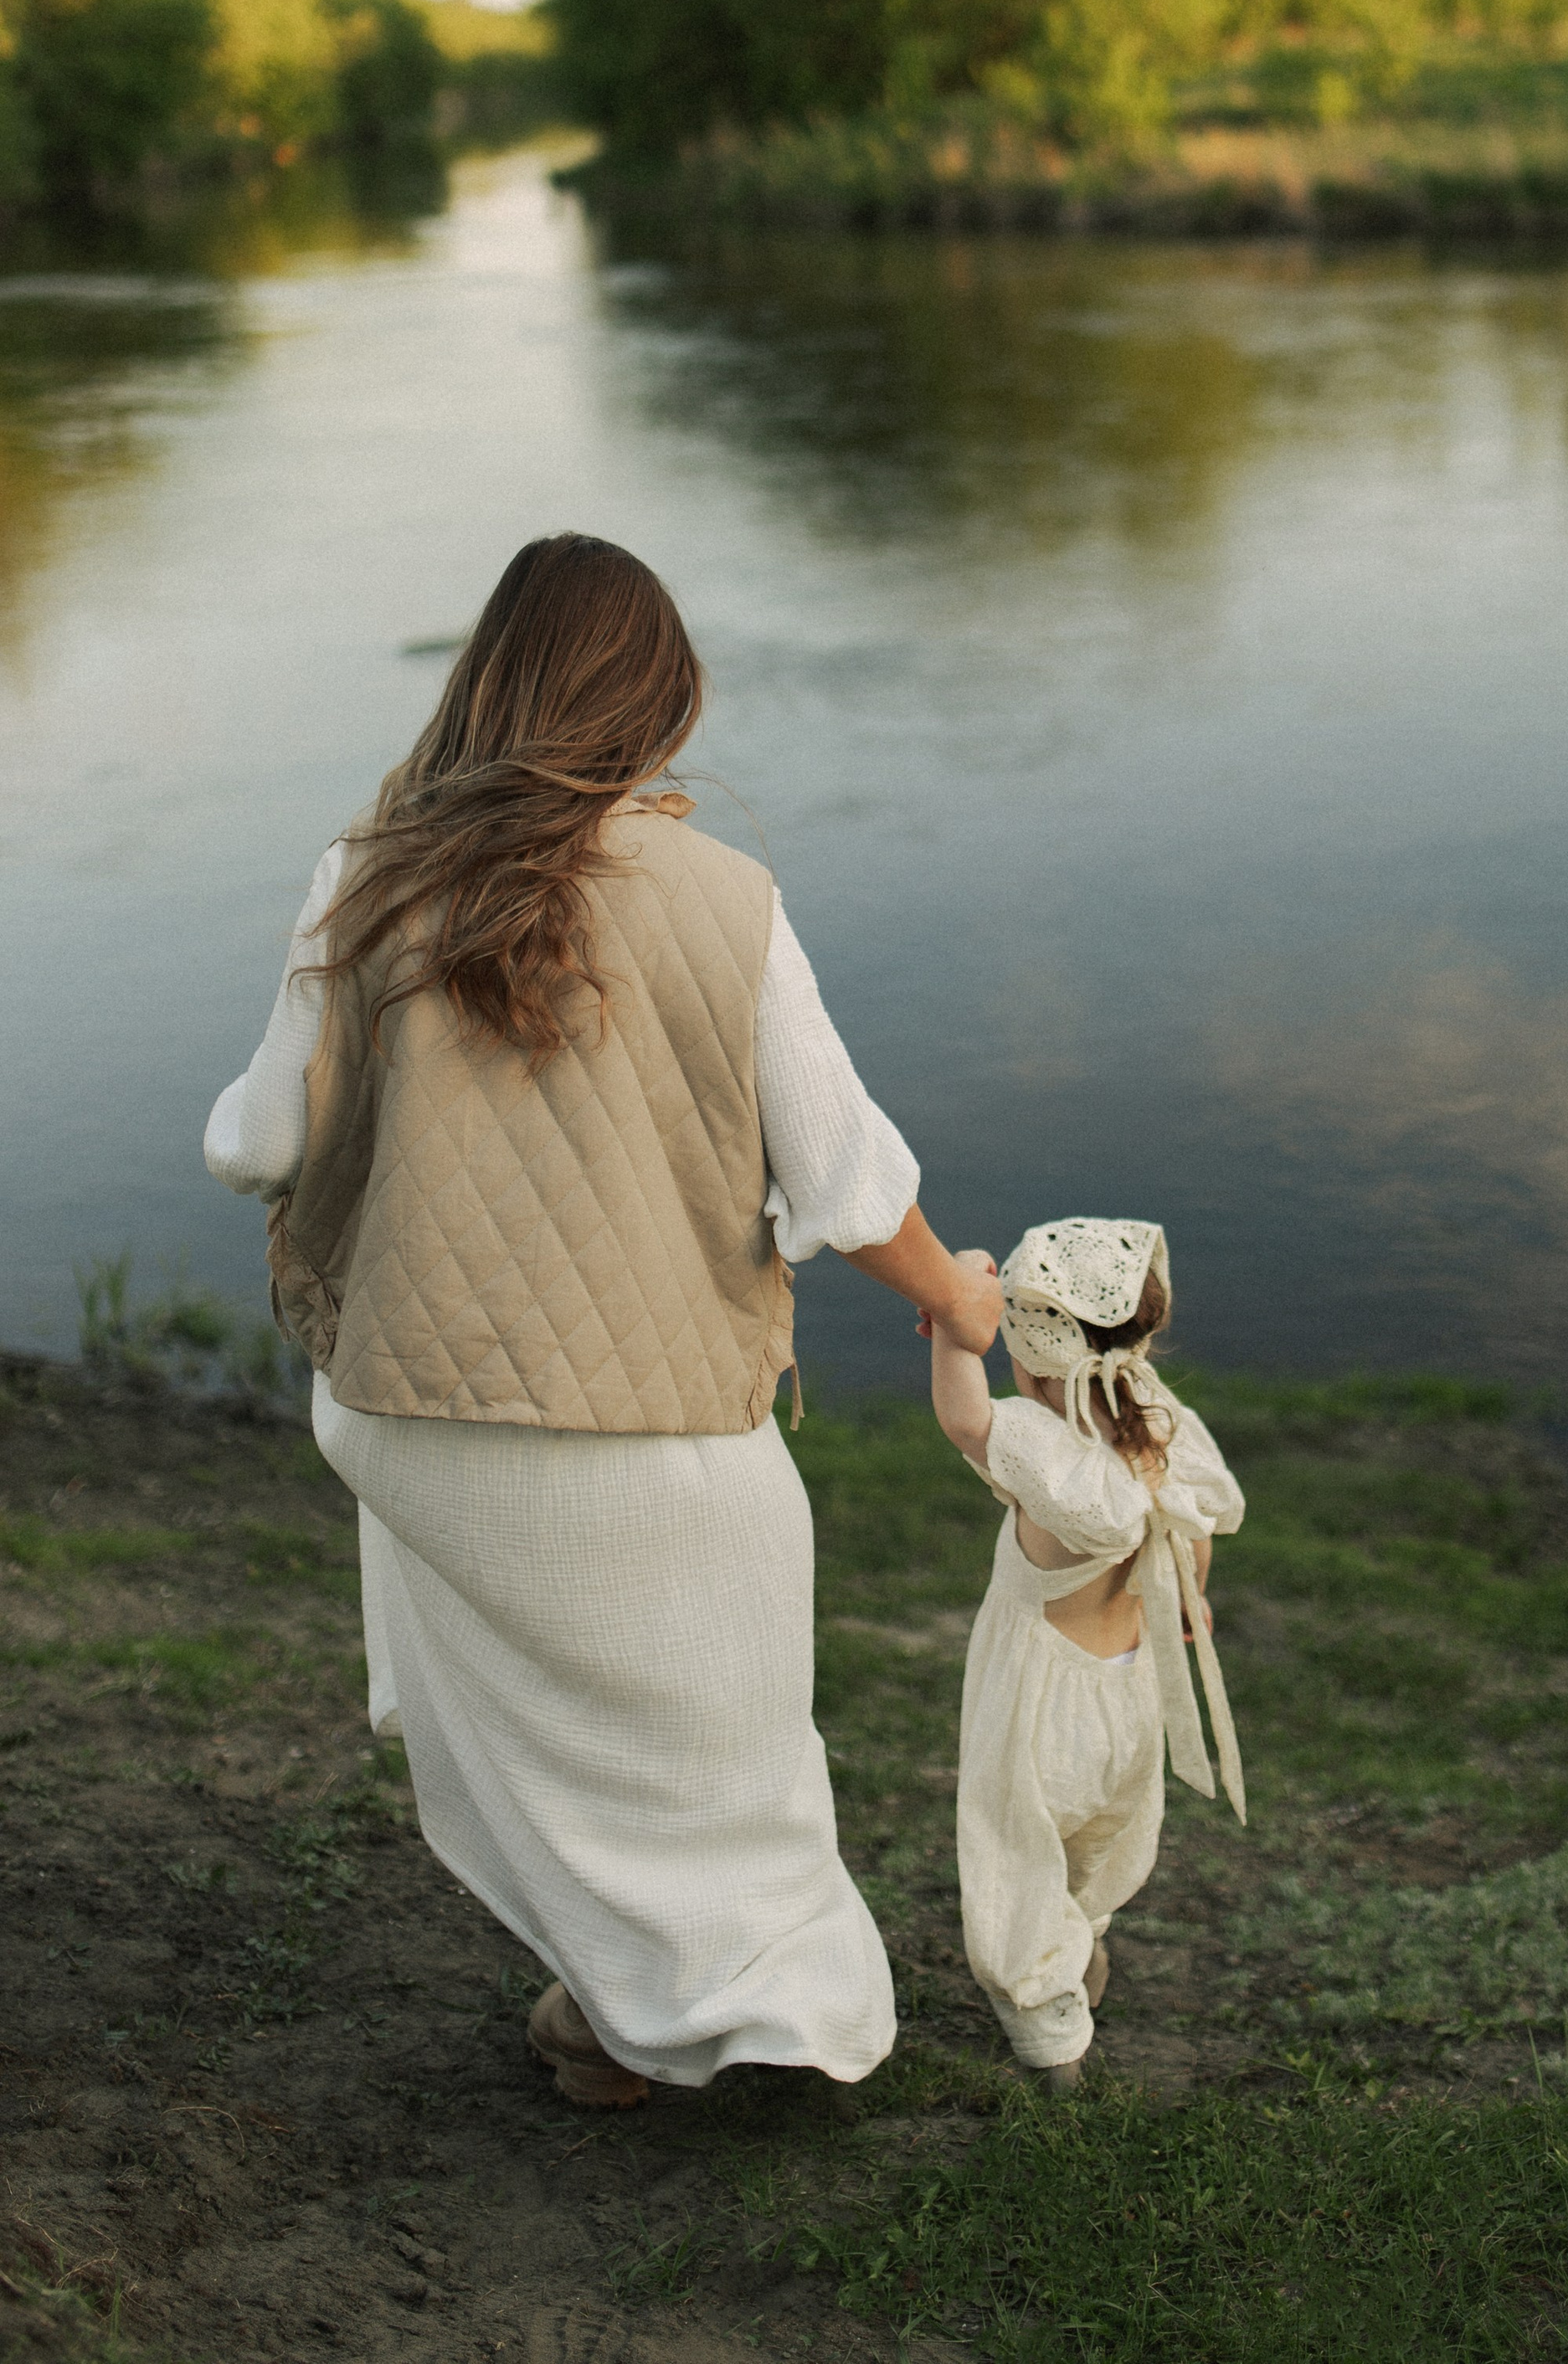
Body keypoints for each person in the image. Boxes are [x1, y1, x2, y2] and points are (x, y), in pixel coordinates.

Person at [203, 531, 1002, 2110]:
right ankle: (762, 2018)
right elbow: (848, 1188)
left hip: (411, 1412)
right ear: (661, 707)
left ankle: (614, 2011)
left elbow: (256, 1149)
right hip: (661, 1433)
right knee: (728, 1750)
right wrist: (962, 1303)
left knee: (521, 1705)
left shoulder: (365, 875)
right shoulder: (727, 901)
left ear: (485, 683)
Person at [926, 1216, 1244, 2090]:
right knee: (1102, 1834)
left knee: (1016, 1847)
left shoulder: (1047, 1459)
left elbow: (963, 1418)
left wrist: (955, 1320)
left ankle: (1051, 2037)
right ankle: (1088, 1941)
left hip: (1044, 1704)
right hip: (1134, 1691)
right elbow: (1194, 1537)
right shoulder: (1157, 1431)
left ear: (1027, 1354)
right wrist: (1194, 1601)